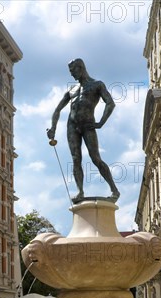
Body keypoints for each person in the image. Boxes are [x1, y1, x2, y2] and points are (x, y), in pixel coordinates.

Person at [47, 58, 120, 202]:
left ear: (81, 68)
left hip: (88, 125)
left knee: (95, 158)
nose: (72, 75)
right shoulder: (72, 90)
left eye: (73, 71)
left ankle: (114, 190)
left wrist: (100, 123)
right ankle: (80, 191)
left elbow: (110, 103)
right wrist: (53, 128)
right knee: (76, 159)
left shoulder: (96, 85)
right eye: (70, 72)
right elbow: (57, 110)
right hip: (72, 126)